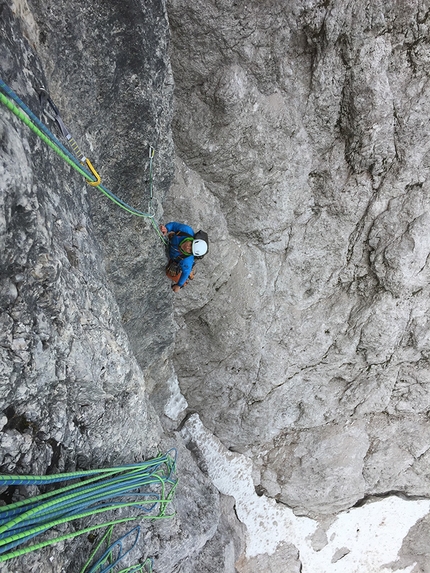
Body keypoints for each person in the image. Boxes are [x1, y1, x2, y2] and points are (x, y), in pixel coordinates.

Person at [160, 222, 208, 293]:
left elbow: (185, 273)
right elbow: (174, 225)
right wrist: (167, 228)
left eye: (190, 250)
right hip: (174, 242)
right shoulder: (186, 230)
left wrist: (179, 285)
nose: (187, 247)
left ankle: (191, 269)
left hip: (178, 259)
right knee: (171, 235)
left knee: (171, 272)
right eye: (190, 244)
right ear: (193, 240)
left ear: (192, 254)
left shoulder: (186, 261)